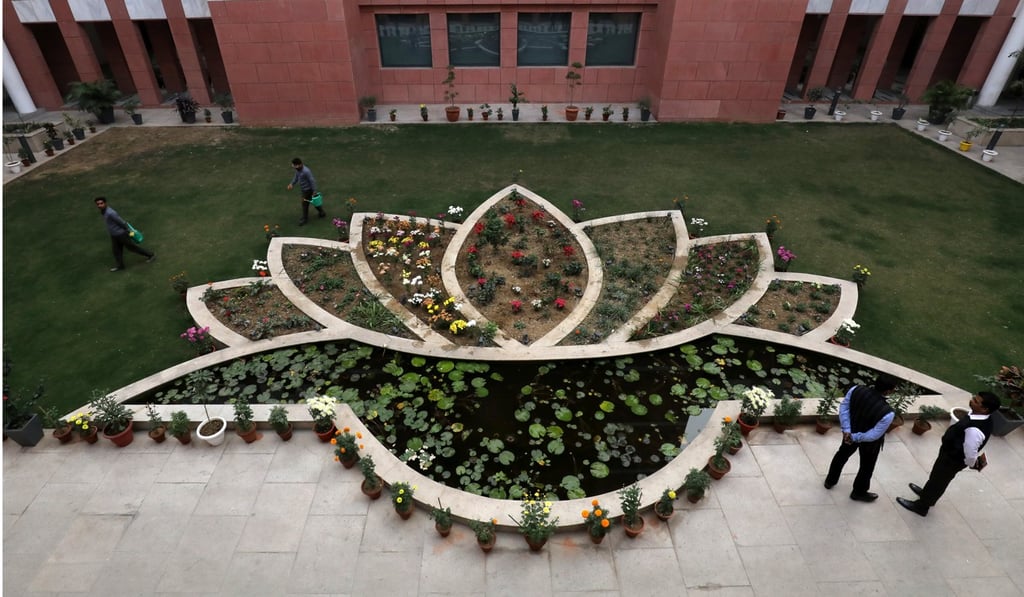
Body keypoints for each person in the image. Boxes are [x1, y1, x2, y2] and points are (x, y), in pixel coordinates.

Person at [896, 391, 1000, 517]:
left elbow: (970, 451)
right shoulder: (981, 417)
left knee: (939, 481)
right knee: (936, 477)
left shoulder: (974, 429)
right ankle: (927, 494)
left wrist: (971, 464)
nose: (972, 400)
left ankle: (922, 506)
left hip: (952, 460)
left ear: (984, 409)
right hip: (950, 454)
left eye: (976, 401)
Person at [824, 375, 897, 502]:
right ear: (888, 391)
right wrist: (853, 435)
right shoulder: (888, 413)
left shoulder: (856, 390)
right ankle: (858, 492)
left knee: (841, 455)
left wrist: (847, 431)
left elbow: (844, 408)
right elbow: (874, 434)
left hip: (850, 432)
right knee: (867, 466)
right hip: (869, 443)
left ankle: (830, 481)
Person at [95, 196, 154, 272]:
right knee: (116, 251)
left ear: (105, 203)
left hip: (121, 234)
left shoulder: (110, 213)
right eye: (98, 204)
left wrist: (128, 230)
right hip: (114, 235)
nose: (99, 205)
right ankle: (120, 266)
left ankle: (151, 255)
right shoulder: (103, 211)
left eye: (101, 203)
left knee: (132, 248)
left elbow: (121, 222)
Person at [286, 157, 325, 225]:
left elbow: (312, 181)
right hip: (305, 190)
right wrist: (292, 184)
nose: (294, 167)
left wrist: (314, 191)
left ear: (300, 164)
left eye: (295, 165)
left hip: (308, 190)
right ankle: (322, 213)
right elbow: (296, 177)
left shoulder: (306, 171)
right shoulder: (298, 170)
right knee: (314, 202)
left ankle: (305, 219)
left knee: (304, 204)